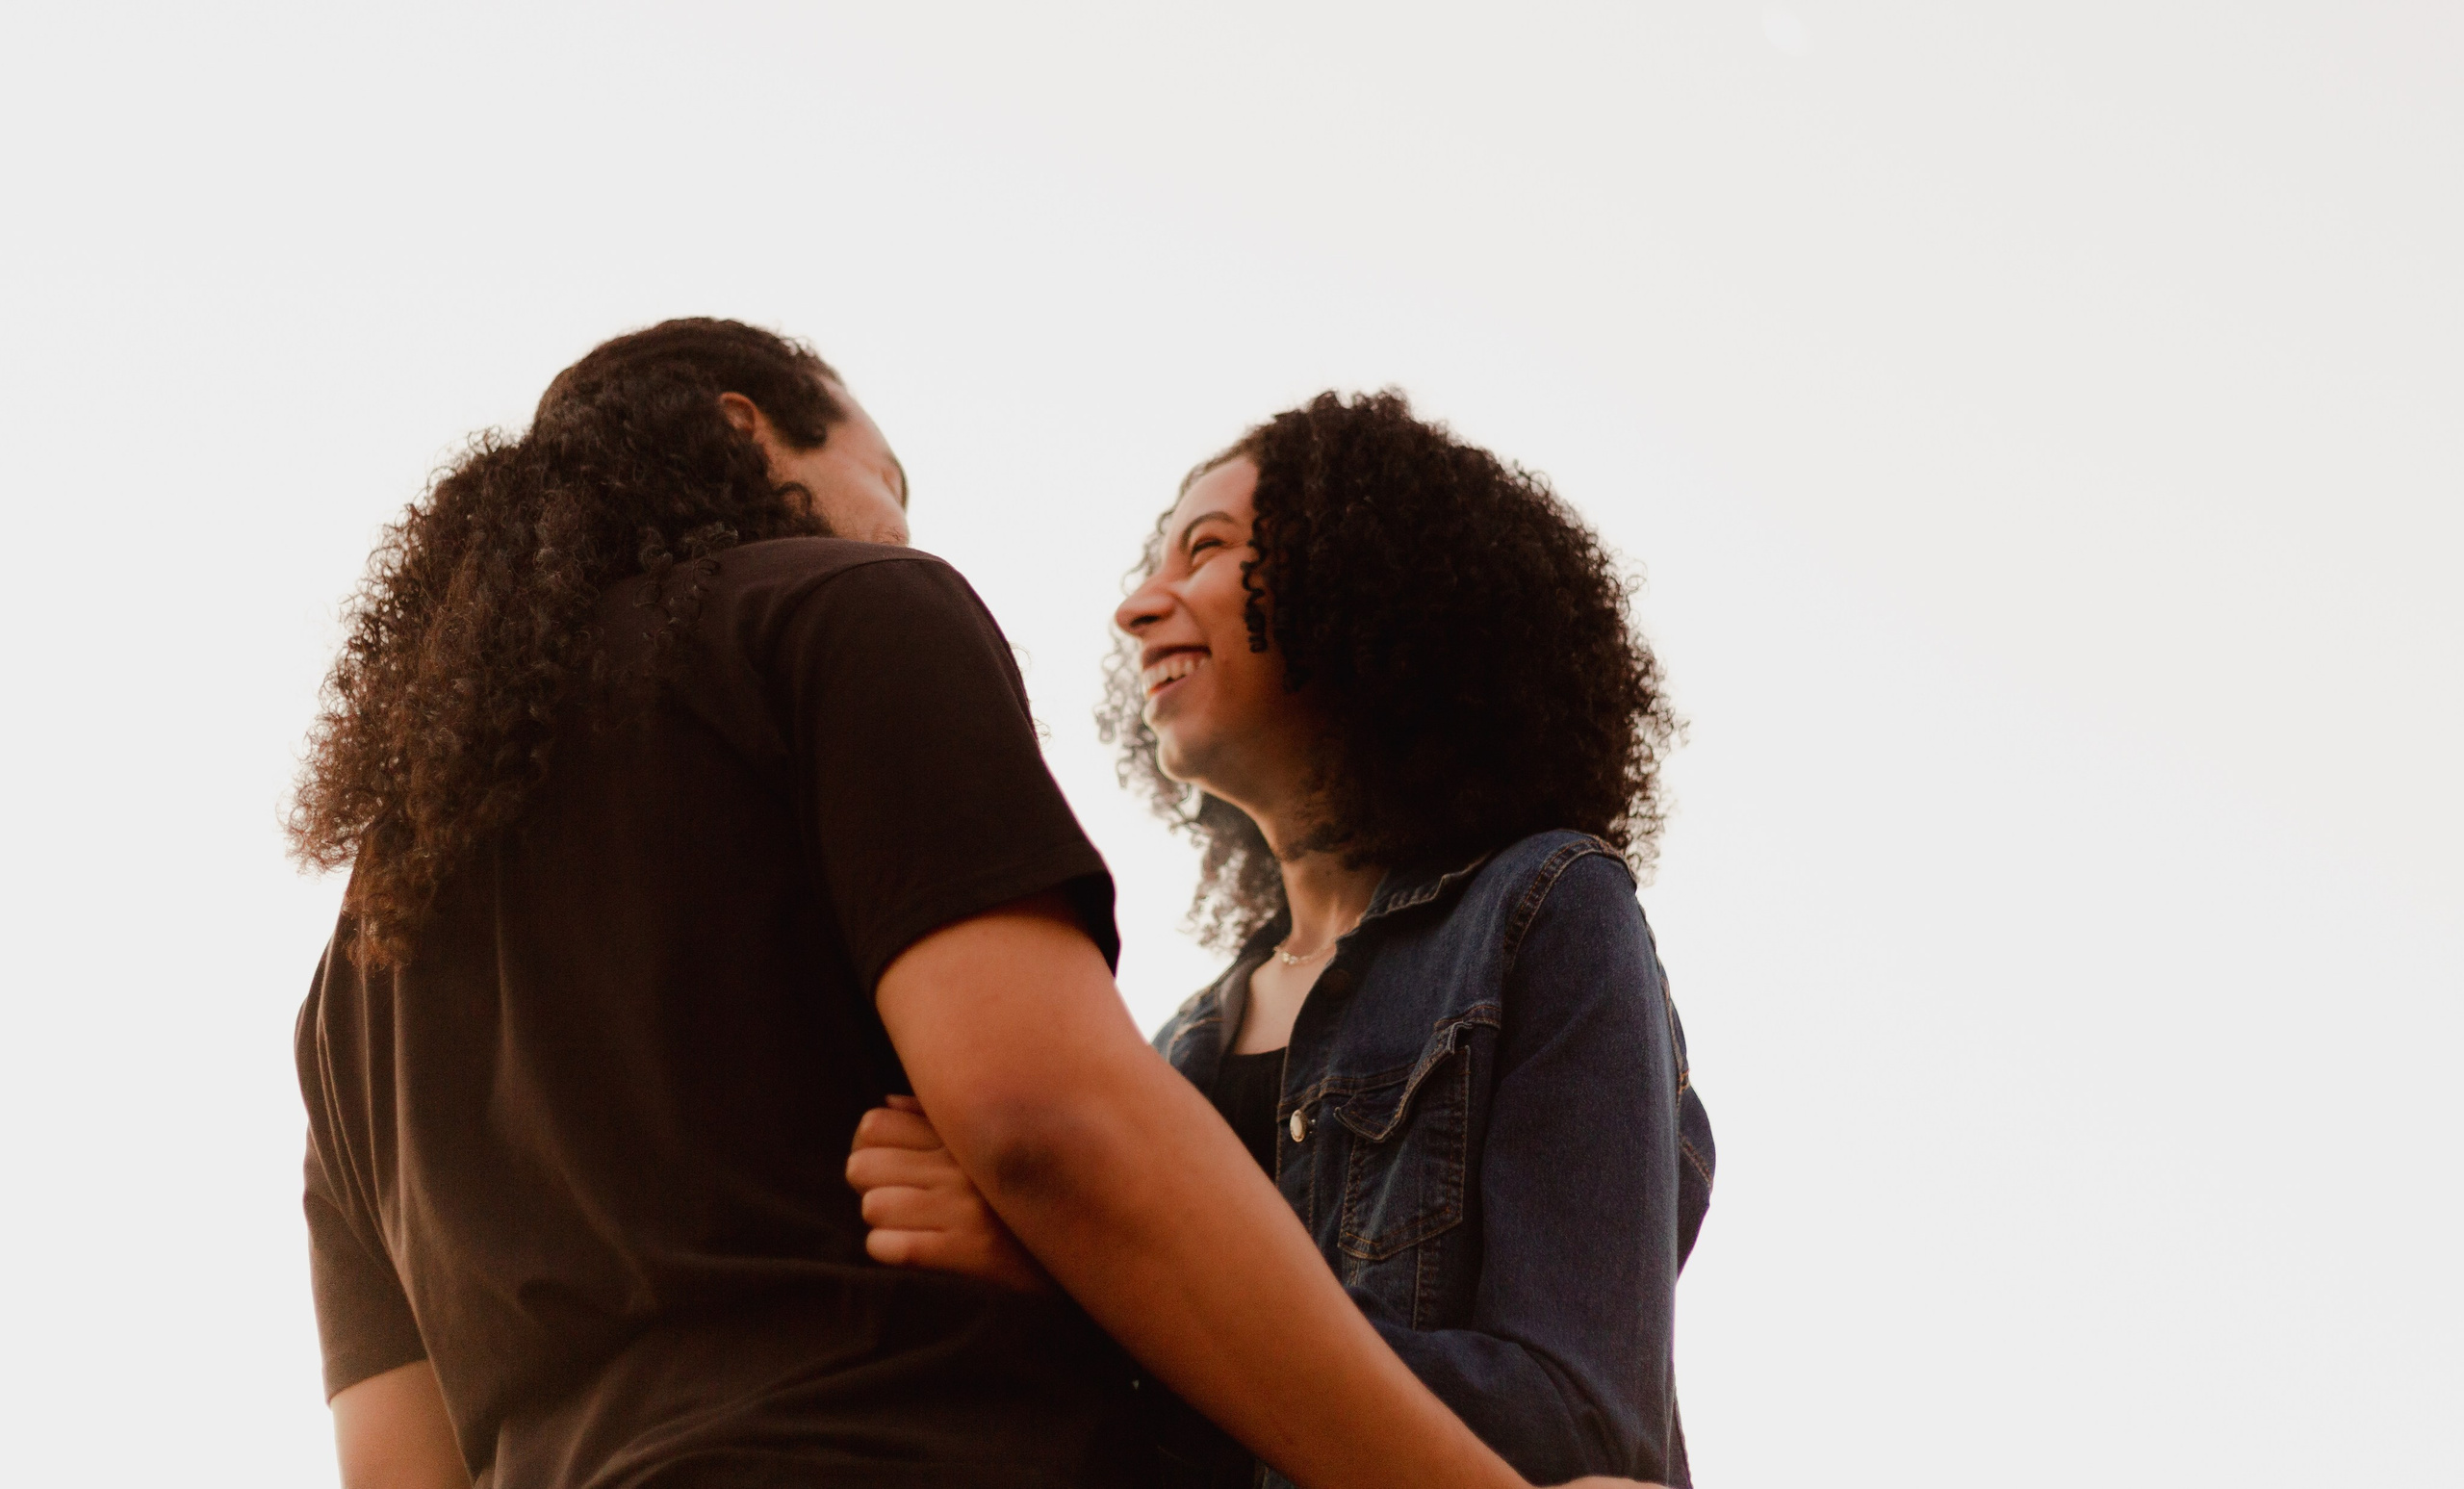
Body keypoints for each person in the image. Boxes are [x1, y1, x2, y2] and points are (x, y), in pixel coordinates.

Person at [287, 321, 1652, 1489]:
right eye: (887, 478)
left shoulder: (360, 957)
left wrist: (1064, 1273)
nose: (902, 528)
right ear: (746, 430)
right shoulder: (850, 615)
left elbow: (400, 1457)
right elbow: (1048, 1130)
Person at [848, 393, 1714, 1487]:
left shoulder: (1541, 910)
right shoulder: (1173, 1053)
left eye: (1204, 548)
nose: (1138, 609)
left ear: (1364, 578)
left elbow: (1580, 1436)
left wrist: (1084, 1282)